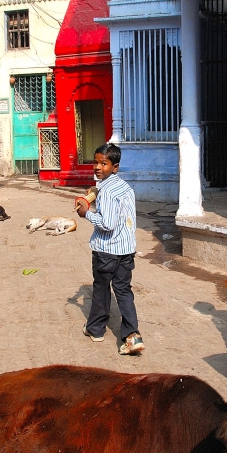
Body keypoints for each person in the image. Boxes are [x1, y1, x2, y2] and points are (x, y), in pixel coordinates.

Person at [76, 143, 145, 355]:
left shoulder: (106, 192)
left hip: (106, 251)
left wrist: (86, 212)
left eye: (103, 164)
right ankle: (132, 335)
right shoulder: (124, 187)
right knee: (123, 290)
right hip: (126, 250)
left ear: (114, 167)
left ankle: (95, 329)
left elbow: (108, 224)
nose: (98, 167)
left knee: (101, 288)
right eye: (96, 162)